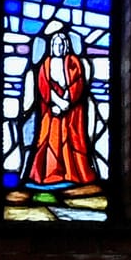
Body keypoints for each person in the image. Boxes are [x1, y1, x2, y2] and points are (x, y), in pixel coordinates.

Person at [25, 22, 96, 187]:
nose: (58, 47)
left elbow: (77, 84)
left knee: (72, 142)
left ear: (66, 46)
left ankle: (72, 174)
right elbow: (43, 86)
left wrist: (66, 101)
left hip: (71, 112)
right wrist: (56, 102)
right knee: (49, 141)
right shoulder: (46, 64)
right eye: (55, 44)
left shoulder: (73, 62)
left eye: (61, 44)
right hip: (51, 111)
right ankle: (50, 174)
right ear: (51, 46)